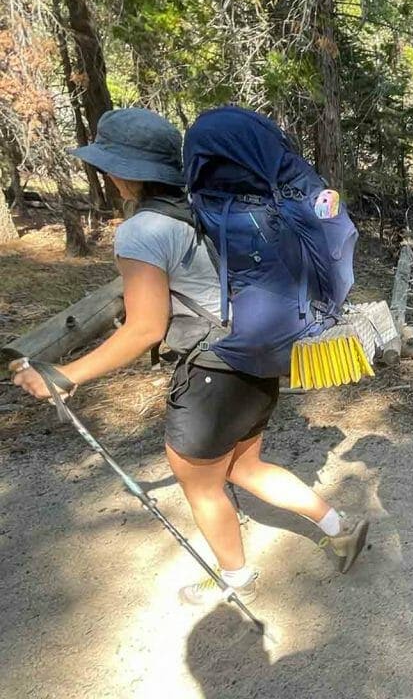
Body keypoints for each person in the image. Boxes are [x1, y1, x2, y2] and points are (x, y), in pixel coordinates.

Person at [9, 108, 368, 605]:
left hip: (210, 374)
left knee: (201, 484)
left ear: (124, 171)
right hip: (254, 359)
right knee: (244, 467)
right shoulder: (206, 205)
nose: (106, 175)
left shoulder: (143, 231)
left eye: (108, 165)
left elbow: (145, 328)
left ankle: (234, 578)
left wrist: (66, 375)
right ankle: (339, 527)